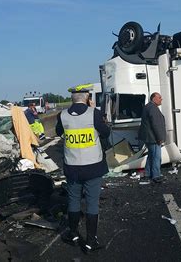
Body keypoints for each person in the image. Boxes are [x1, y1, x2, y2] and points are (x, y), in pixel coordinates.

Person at [56, 83, 110, 254]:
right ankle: (90, 241)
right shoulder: (93, 113)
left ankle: (73, 235)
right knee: (92, 203)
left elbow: (59, 132)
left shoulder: (62, 115)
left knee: (73, 201)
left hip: (72, 167)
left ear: (72, 98)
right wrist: (96, 112)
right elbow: (106, 132)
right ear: (87, 98)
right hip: (93, 166)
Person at [138, 92, 166, 183]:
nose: (161, 99)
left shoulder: (148, 107)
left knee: (151, 156)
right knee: (156, 157)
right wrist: (159, 138)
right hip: (153, 138)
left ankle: (147, 173)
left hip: (149, 137)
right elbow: (156, 125)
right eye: (159, 97)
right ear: (154, 99)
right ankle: (156, 176)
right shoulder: (153, 108)